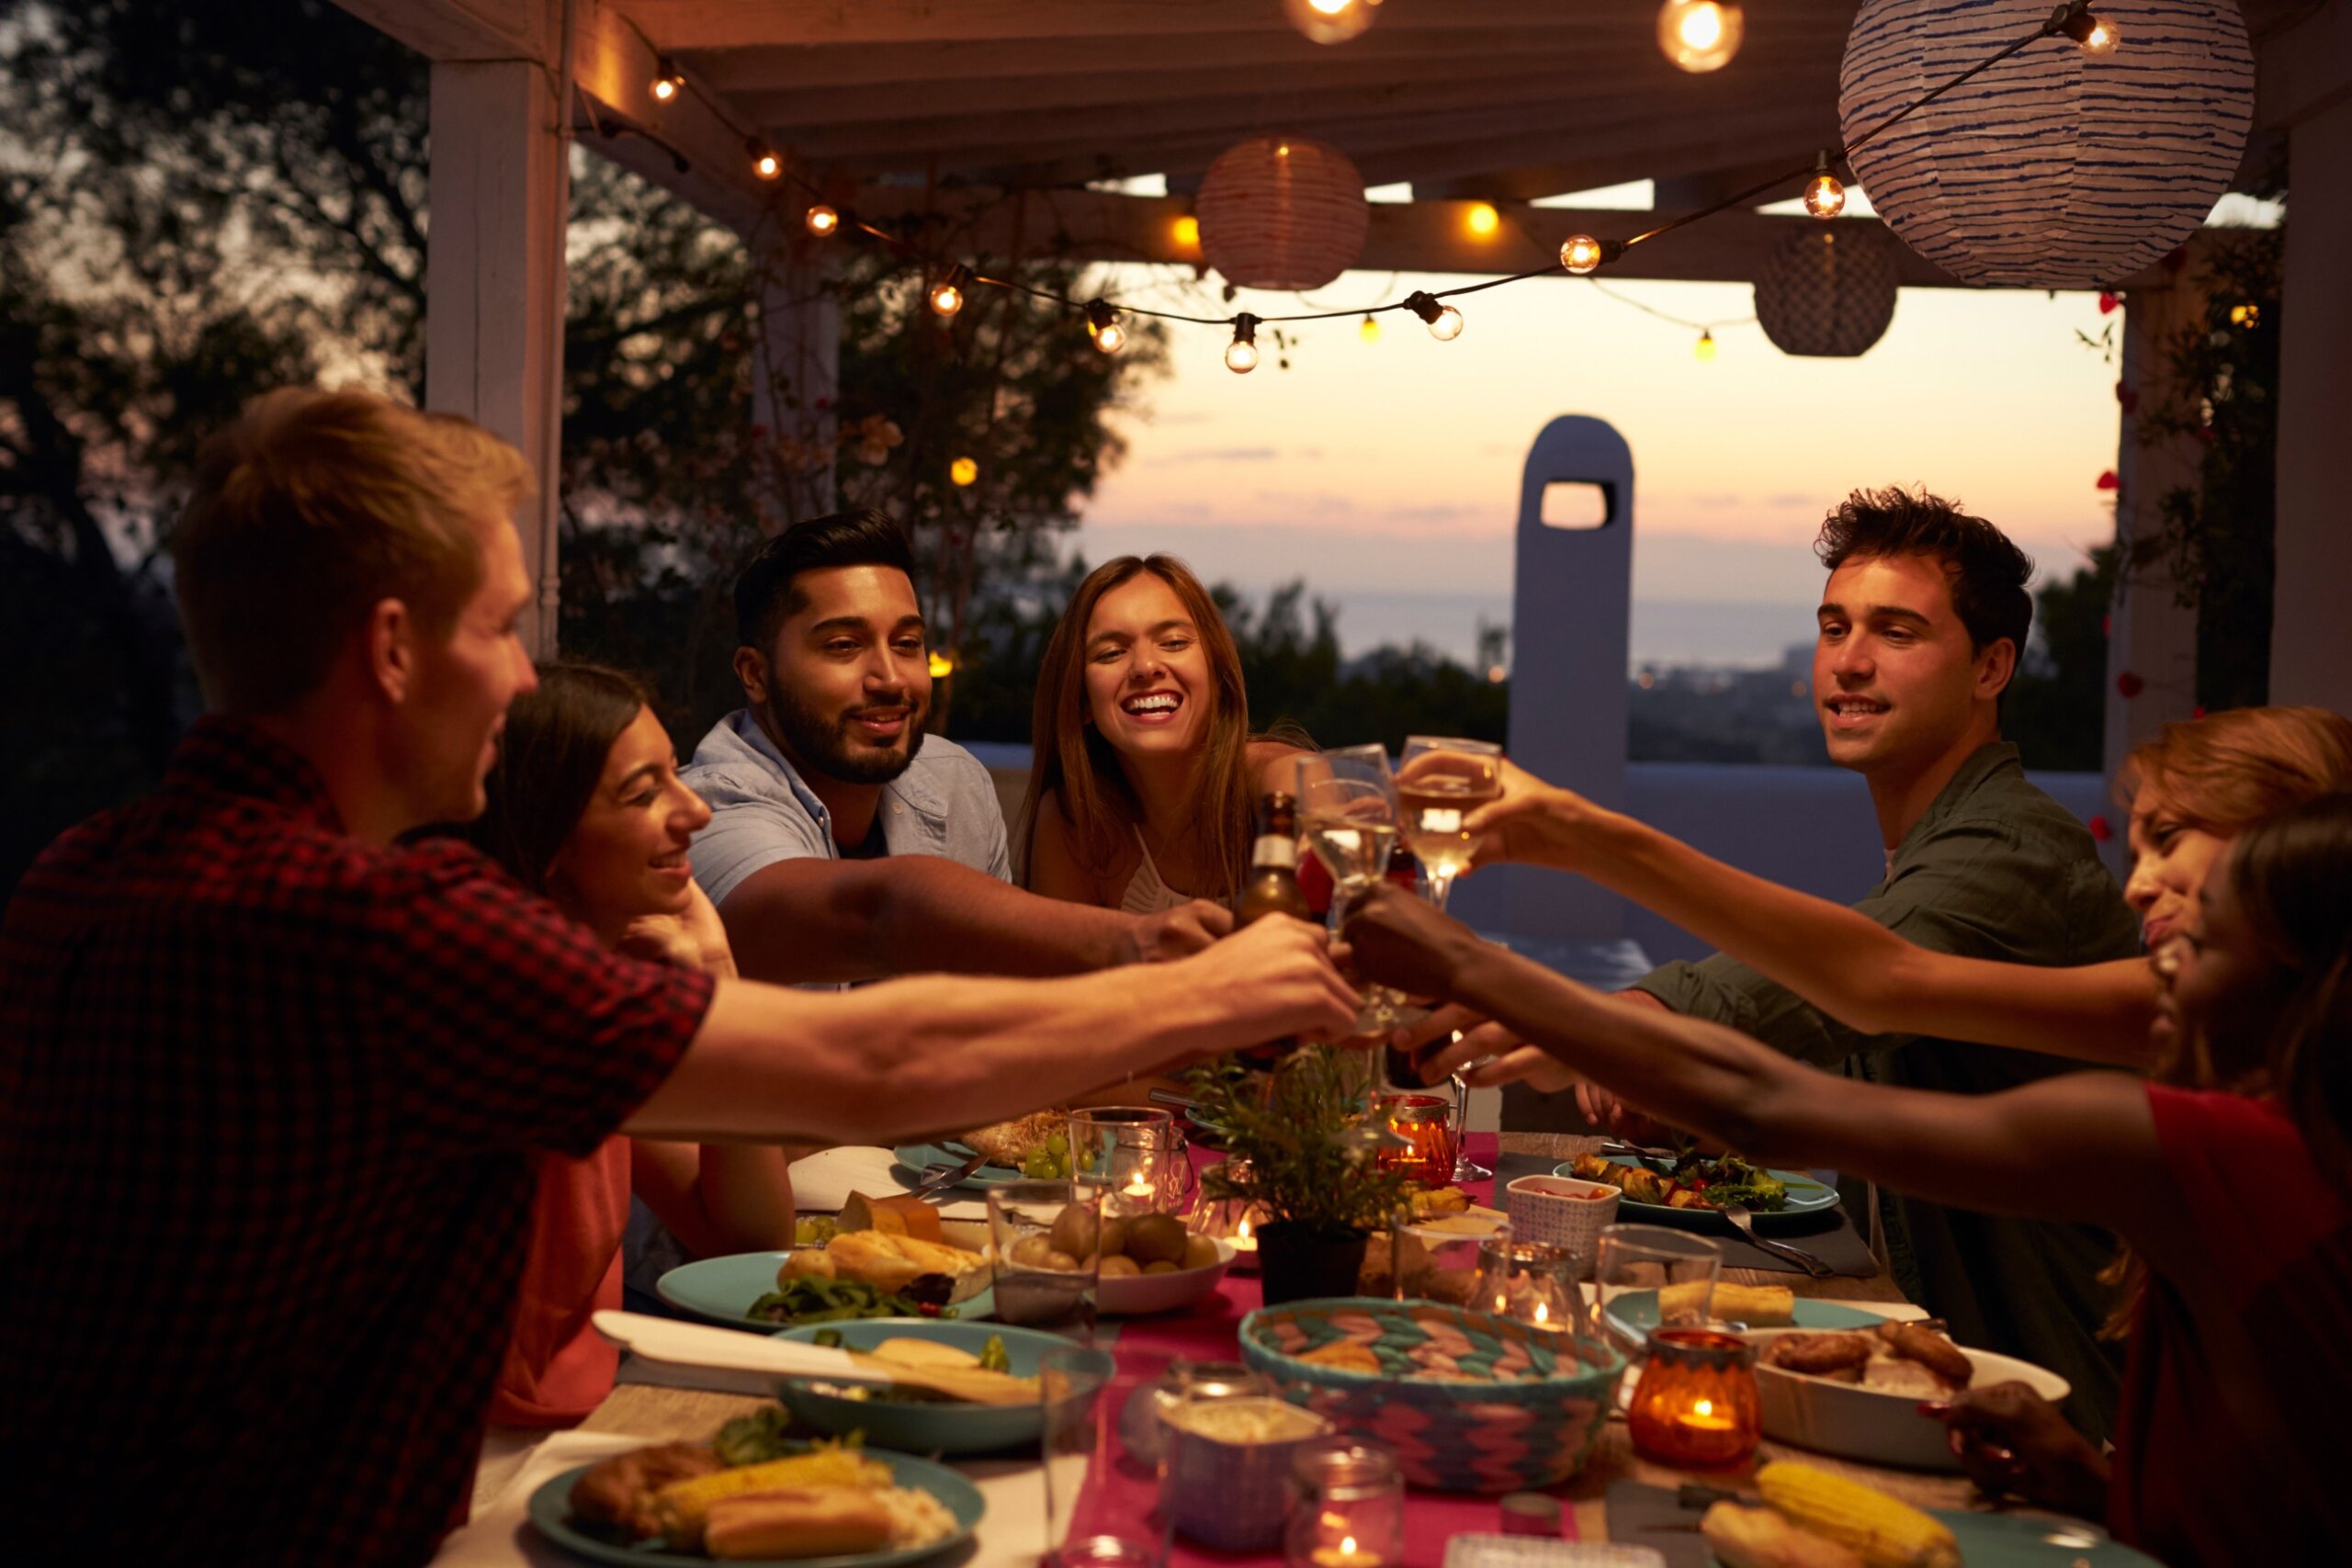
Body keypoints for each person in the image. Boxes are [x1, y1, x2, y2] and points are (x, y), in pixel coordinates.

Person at [0, 388, 1360, 1566]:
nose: (521, 679)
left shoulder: (72, 871)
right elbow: (867, 1063)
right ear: (396, 649)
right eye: (499, 629)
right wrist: (1204, 986)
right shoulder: (387, 926)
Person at [1345, 791, 2352, 1563]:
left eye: (2201, 943)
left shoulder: (2223, 1152)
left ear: (2303, 983)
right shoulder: (2301, 1155)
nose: (2159, 967)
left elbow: (1763, 1107)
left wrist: (1464, 965)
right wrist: (2097, 1489)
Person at [1406, 486, 2146, 1439]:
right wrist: (1660, 1062)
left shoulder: (2014, 851)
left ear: (1990, 667)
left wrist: (1613, 1003)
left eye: (1897, 631)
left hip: (2057, 1418)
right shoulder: (1937, 841)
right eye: (1833, 626)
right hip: (1957, 1382)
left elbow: (1857, 982)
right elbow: (1845, 1025)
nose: (1850, 659)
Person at [1428, 705, 2352, 1075]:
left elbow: (1881, 983)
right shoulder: (2226, 1027)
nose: (2139, 886)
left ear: (2290, 845)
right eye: (1833, 628)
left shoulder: (2168, 1002)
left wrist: (1585, 839)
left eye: (2169, 839)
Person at [684, 513, 1228, 986]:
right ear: (756, 674)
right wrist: (1136, 939)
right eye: (844, 646)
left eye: (906, 644)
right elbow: (873, 916)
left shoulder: (954, 781)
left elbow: (1007, 1008)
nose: (889, 678)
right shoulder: (702, 814)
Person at [465, 661, 797, 1427]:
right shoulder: (508, 1016)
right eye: (644, 794)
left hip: (582, 1416)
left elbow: (745, 1238)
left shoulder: (601, 993)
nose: (696, 811)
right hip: (487, 1454)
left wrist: (719, 978)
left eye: (676, 774)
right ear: (549, 841)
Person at [1020, 553, 1308, 912]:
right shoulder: (1073, 820)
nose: (1145, 667)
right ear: (1081, 702)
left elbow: (1317, 804)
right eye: (1111, 653)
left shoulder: (1271, 772)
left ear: (1217, 674)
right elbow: (1061, 965)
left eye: (1173, 643)